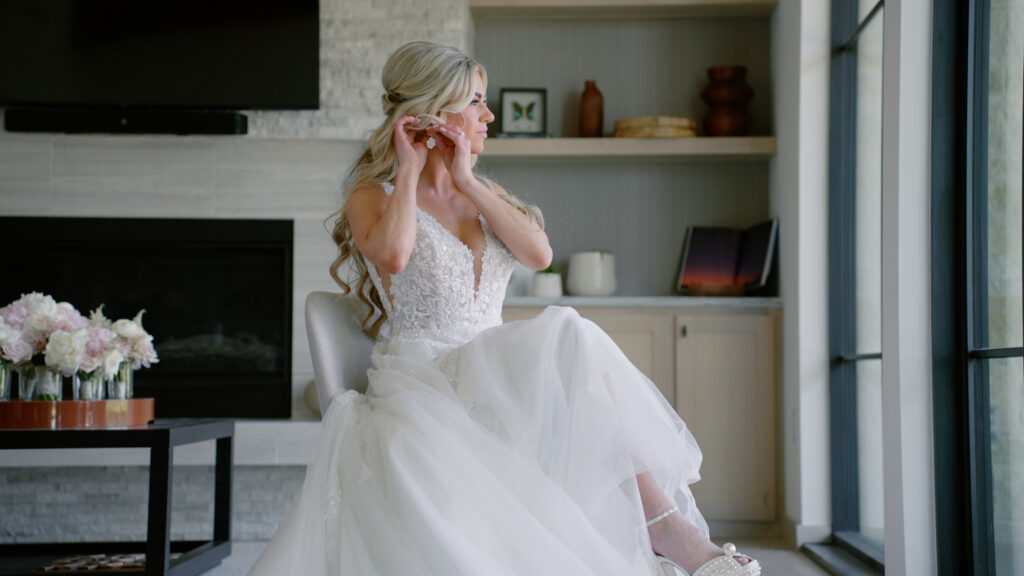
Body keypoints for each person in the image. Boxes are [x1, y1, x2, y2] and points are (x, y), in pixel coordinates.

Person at [248, 41, 761, 576]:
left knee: (570, 342)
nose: (488, 115)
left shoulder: (482, 191)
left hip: (491, 365)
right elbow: (394, 256)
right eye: (475, 101)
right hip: (424, 375)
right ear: (434, 111)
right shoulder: (374, 194)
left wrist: (468, 181)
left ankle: (666, 529)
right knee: (567, 337)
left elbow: (539, 255)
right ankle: (670, 533)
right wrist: (409, 168)